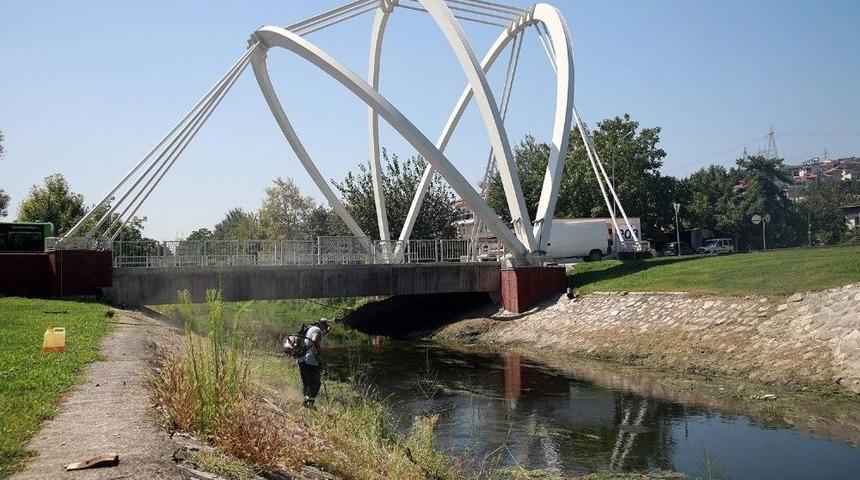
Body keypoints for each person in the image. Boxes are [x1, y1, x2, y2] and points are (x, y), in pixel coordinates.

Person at [298, 319, 330, 408]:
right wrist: (319, 351)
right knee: (316, 384)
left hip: (301, 360)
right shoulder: (317, 330)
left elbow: (318, 336)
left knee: (307, 383)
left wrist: (327, 331)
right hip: (311, 361)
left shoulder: (309, 328)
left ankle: (305, 401)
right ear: (323, 325)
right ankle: (310, 404)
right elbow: (315, 339)